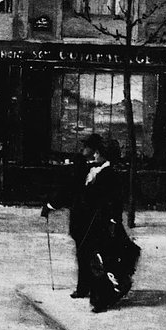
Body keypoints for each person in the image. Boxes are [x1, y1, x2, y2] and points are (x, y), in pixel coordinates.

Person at [42, 133, 140, 312]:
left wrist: (112, 219)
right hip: (86, 222)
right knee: (88, 256)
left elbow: (111, 201)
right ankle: (92, 291)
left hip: (97, 223)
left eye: (96, 152)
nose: (92, 154)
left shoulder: (106, 173)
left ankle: (102, 296)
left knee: (96, 259)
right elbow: (74, 192)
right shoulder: (90, 169)